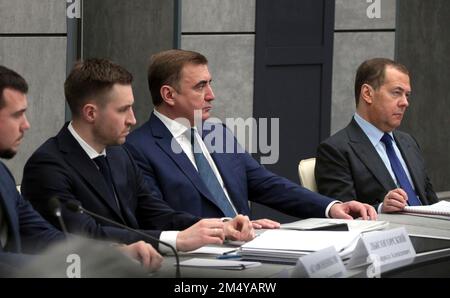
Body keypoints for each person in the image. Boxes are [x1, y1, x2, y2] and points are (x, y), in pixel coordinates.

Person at [21, 59, 254, 255]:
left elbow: (155, 212)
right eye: (123, 110)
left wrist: (220, 227)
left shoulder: (119, 153)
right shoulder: (48, 166)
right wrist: (177, 240)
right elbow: (88, 234)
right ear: (91, 112)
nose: (133, 119)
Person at [124, 49, 376, 224]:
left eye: (210, 83)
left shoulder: (217, 131)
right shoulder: (137, 149)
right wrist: (227, 227)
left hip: (249, 248)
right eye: (200, 86)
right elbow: (156, 218)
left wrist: (331, 207)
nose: (211, 95)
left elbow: (266, 184)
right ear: (169, 95)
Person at [0, 65, 162, 275]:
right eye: (17, 115)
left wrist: (113, 253)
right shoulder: (47, 164)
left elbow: (43, 235)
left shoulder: (3, 175)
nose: (26, 125)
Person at [315, 58, 438, 213]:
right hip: (385, 234)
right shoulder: (336, 150)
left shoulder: (409, 142)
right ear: (367, 94)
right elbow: (343, 214)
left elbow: (431, 201)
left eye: (407, 95)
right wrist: (380, 209)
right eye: (396, 93)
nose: (405, 102)